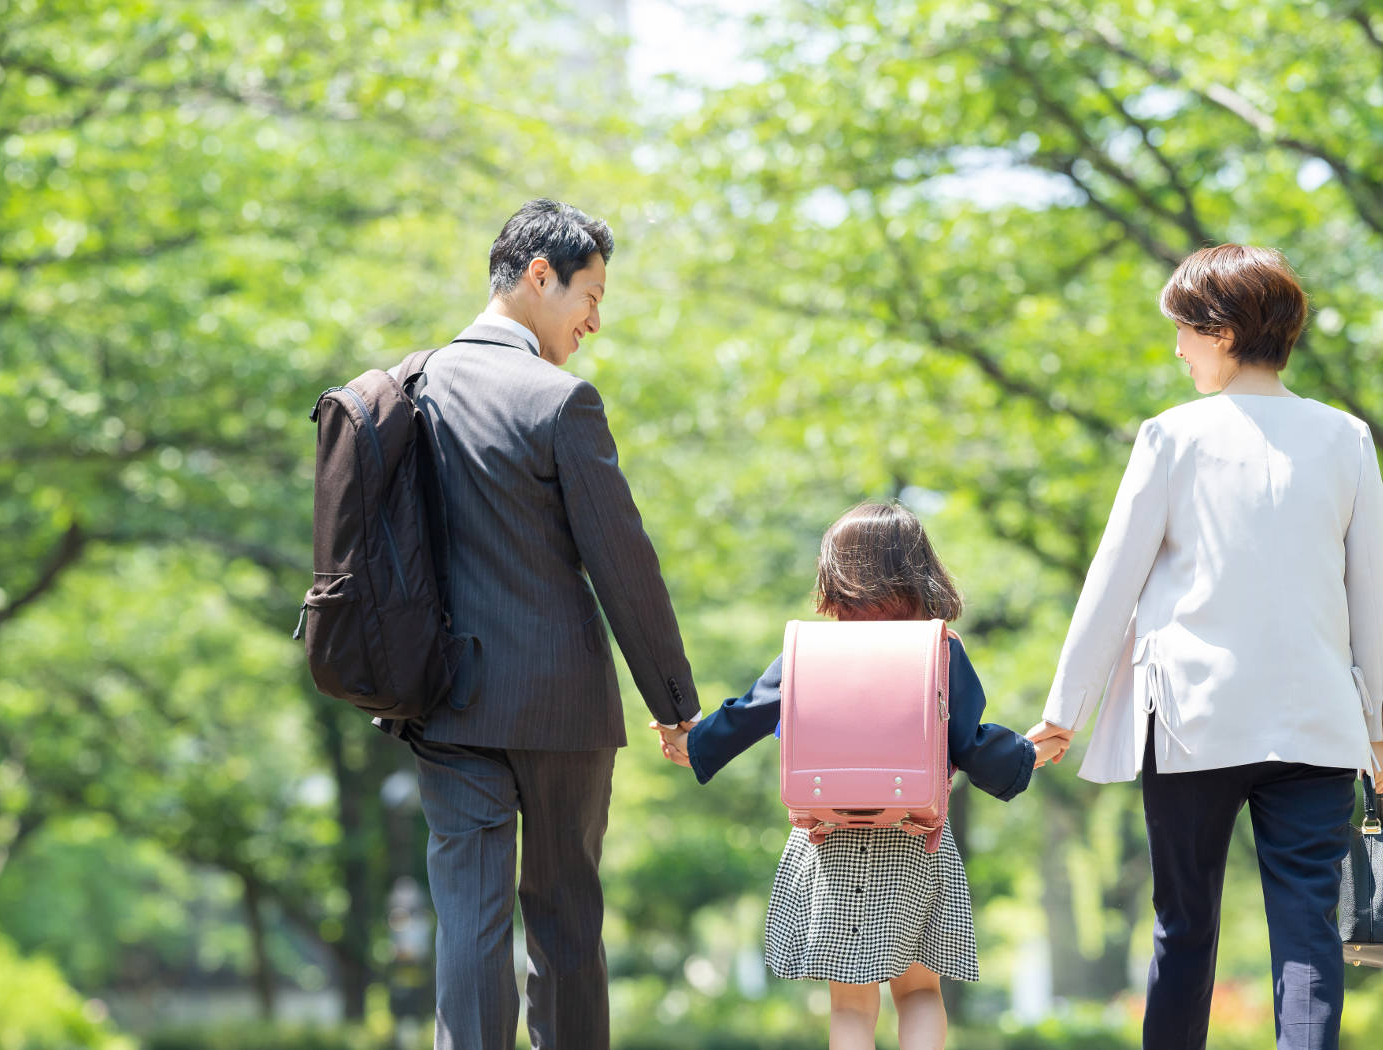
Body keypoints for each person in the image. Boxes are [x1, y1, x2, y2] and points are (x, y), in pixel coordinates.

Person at [1027, 244, 1383, 1050]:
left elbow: (1110, 586)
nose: (1176, 349)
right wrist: (1382, 726)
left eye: (1181, 329)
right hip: (1317, 726)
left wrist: (1062, 713)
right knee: (1308, 933)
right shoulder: (1344, 436)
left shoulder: (1170, 437)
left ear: (1217, 331)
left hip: (1190, 723)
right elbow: (1374, 599)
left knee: (1182, 928)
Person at [403, 199, 702, 1050]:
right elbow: (622, 564)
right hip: (559, 705)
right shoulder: (559, 400)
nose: (596, 322)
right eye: (591, 295)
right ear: (541, 276)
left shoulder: (410, 387)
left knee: (468, 917)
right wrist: (674, 700)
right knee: (565, 915)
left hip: (444, 699)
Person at [656, 502, 1060, 1050]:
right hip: (916, 839)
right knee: (919, 992)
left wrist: (693, 744)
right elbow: (970, 740)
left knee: (850, 1003)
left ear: (834, 573)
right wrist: (1026, 754)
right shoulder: (938, 648)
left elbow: (749, 712)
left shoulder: (811, 649)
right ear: (922, 568)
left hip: (829, 840)